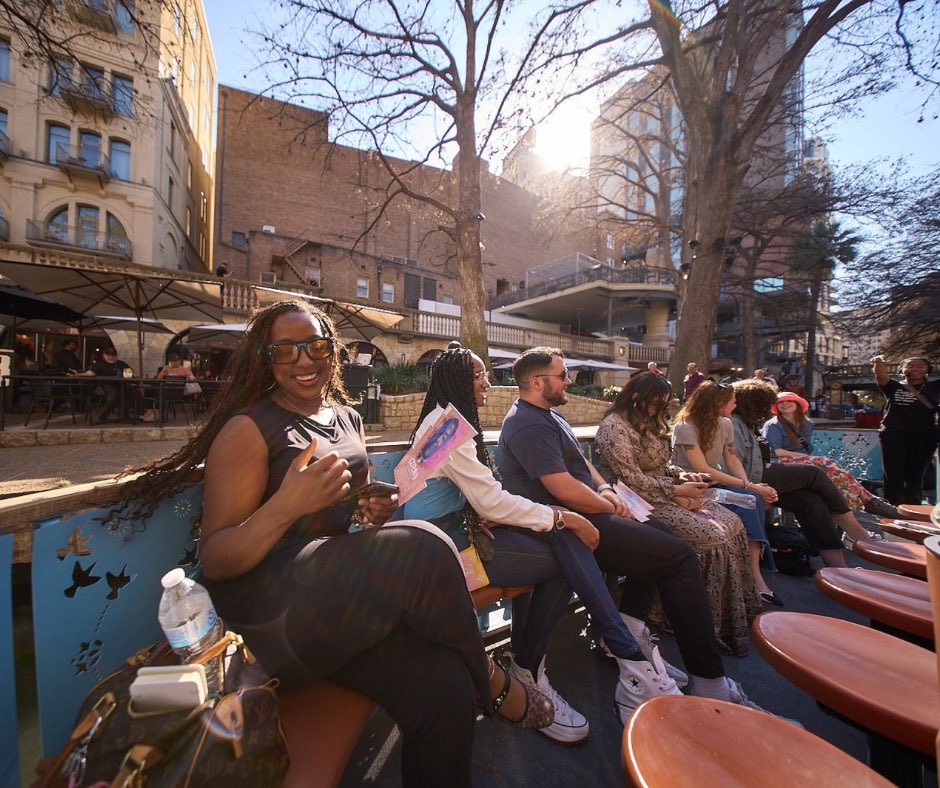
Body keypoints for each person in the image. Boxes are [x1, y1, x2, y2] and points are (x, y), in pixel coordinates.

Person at [114, 300, 553, 787]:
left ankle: (470, 685)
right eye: (286, 351)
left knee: (443, 690)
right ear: (266, 360)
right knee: (425, 545)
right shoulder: (248, 429)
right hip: (268, 624)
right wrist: (286, 504)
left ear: (333, 352)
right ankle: (492, 683)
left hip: (331, 609)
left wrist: (368, 511)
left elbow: (341, 528)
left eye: (316, 346)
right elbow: (217, 559)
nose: (304, 360)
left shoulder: (346, 418)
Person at [403, 346, 683, 734]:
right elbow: (489, 499)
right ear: (458, 382)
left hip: (447, 537)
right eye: (479, 376)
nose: (488, 384)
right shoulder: (449, 428)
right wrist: (561, 516)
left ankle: (614, 657)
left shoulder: (440, 421)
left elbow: (451, 493)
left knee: (561, 544)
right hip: (445, 556)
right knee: (562, 554)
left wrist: (499, 514)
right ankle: (544, 665)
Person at [498, 347, 782, 715]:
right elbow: (564, 489)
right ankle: (710, 683)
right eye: (563, 374)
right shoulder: (528, 424)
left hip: (591, 512)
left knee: (664, 541)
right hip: (571, 527)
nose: (569, 379)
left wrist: (604, 491)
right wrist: (612, 504)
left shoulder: (549, 416)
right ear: (538, 382)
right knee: (677, 556)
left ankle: (633, 633)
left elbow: (581, 464)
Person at [598, 374, 762, 654]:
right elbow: (630, 478)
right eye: (655, 404)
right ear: (637, 397)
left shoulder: (647, 422)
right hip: (635, 500)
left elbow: (662, 464)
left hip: (665, 492)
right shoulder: (614, 427)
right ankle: (683, 619)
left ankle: (723, 618)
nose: (658, 410)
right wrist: (678, 487)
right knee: (710, 535)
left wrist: (684, 476)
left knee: (732, 524)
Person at [729, 378, 883, 566]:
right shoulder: (734, 424)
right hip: (748, 480)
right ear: (754, 403)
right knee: (813, 473)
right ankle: (858, 533)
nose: (768, 410)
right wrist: (753, 488)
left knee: (811, 501)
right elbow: (733, 464)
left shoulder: (750, 424)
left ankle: (838, 567)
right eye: (765, 405)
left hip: (761, 473)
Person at [671, 382, 780, 607]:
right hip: (693, 485)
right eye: (732, 400)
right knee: (749, 500)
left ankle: (753, 572)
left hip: (716, 484)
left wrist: (750, 486)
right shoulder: (686, 427)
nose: (735, 404)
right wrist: (751, 487)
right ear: (717, 403)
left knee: (753, 500)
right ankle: (755, 577)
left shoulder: (725, 424)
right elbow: (703, 469)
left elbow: (731, 458)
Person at [761, 391, 899, 519]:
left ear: (797, 404)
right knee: (826, 463)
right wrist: (807, 458)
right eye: (781, 402)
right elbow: (776, 451)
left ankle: (865, 503)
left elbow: (806, 449)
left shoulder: (806, 424)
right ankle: (869, 502)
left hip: (801, 461)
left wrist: (807, 458)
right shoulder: (773, 425)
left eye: (789, 401)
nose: (785, 404)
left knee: (831, 473)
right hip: (780, 462)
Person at [871, 355, 940, 505]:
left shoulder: (934, 387)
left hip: (924, 437)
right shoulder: (894, 386)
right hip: (894, 435)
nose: (915, 369)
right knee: (893, 474)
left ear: (928, 370)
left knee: (915, 475)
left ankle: (913, 508)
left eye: (920, 366)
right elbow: (881, 376)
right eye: (910, 366)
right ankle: (893, 507)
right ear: (902, 370)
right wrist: (879, 361)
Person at [75, 346, 132, 422]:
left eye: (113, 355)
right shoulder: (99, 364)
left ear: (116, 356)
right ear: (104, 355)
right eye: (109, 355)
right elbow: (90, 373)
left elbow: (129, 373)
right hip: (104, 386)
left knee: (132, 392)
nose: (111, 357)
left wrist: (127, 375)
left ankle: (124, 413)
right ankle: (104, 414)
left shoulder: (121, 364)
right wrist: (79, 374)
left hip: (121, 385)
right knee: (114, 392)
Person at [140, 353, 197, 423]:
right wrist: (163, 372)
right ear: (170, 361)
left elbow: (192, 378)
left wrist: (189, 378)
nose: (174, 362)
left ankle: (156, 414)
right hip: (167, 391)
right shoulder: (166, 369)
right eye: (172, 361)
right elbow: (158, 379)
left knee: (157, 393)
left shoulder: (184, 369)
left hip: (176, 393)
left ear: (179, 361)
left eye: (176, 360)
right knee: (149, 391)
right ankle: (151, 412)